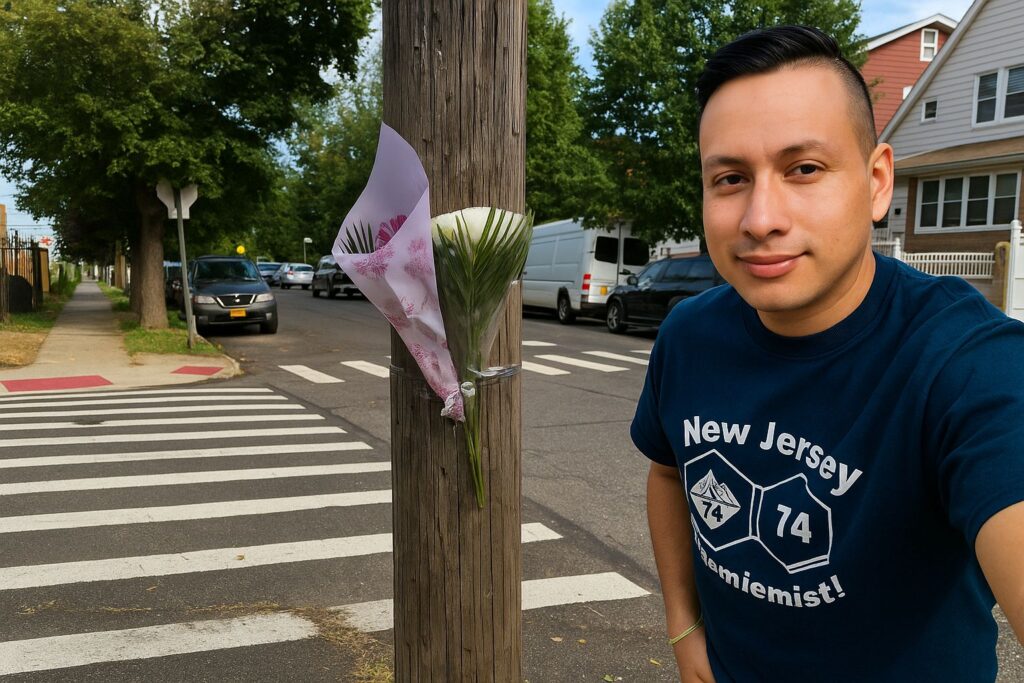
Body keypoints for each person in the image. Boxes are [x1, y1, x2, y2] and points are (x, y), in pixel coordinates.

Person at [632, 25, 1024, 682]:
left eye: (804, 169)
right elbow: (670, 472)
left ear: (877, 182)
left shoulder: (966, 363)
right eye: (730, 178)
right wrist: (683, 625)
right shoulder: (689, 335)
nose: (760, 218)